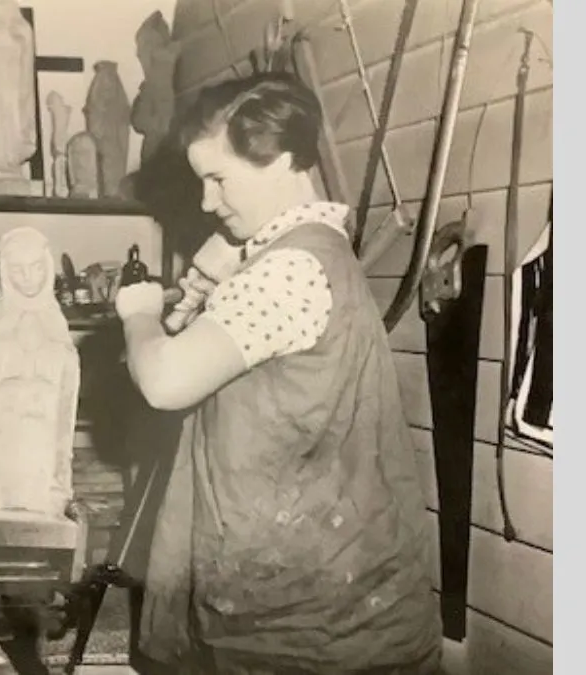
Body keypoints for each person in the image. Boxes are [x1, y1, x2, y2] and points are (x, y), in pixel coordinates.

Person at [113, 71, 443, 674]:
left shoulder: (288, 271)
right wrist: (218, 277)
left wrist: (138, 316)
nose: (208, 202)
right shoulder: (303, 251)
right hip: (303, 593)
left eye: (219, 180)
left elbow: (163, 382)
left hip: (315, 623)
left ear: (285, 157)